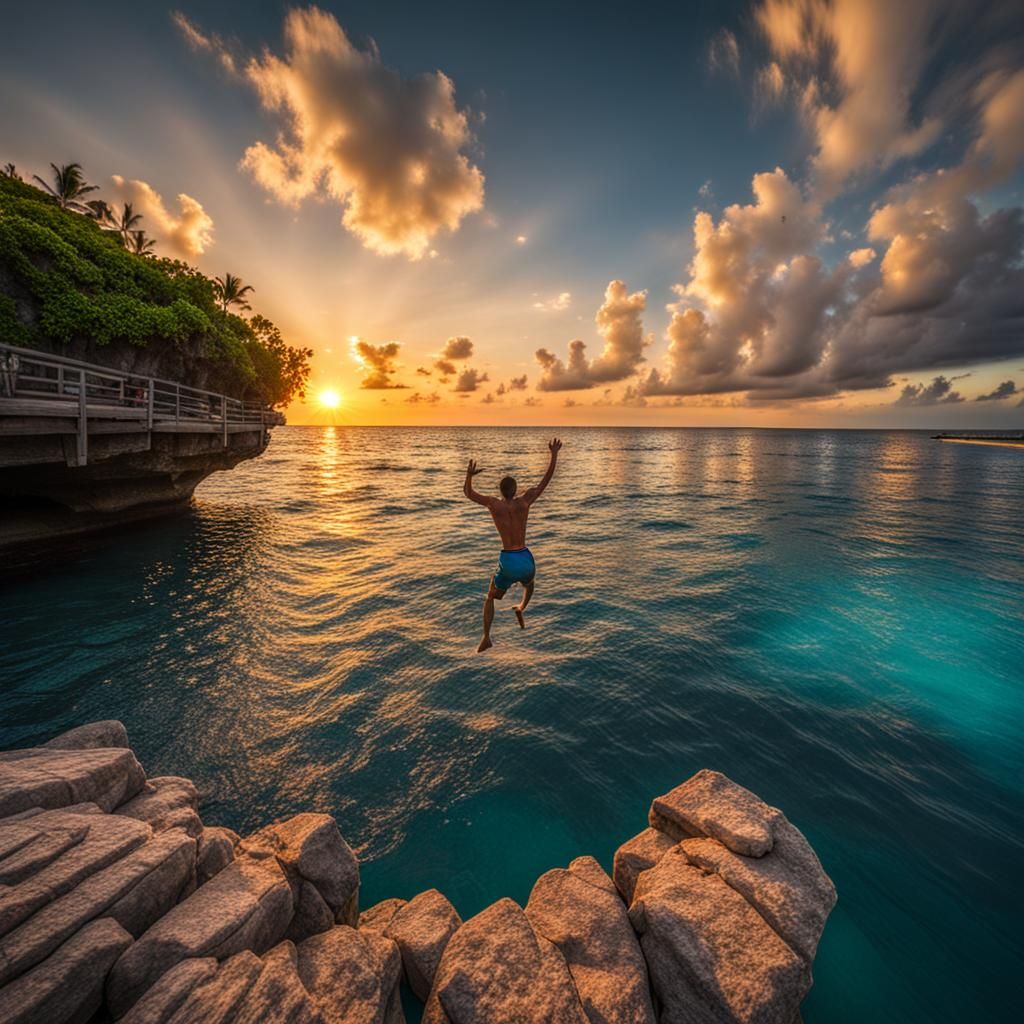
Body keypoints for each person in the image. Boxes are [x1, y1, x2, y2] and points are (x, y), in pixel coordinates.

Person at [463, 437, 562, 652]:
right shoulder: (525, 502)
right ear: (515, 490)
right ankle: (521, 607)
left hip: (508, 560)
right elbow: (546, 481)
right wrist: (554, 454)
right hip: (525, 557)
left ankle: (486, 638)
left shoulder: (494, 505)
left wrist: (469, 476)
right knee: (530, 583)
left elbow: (469, 494)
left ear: (500, 491)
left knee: (491, 596)